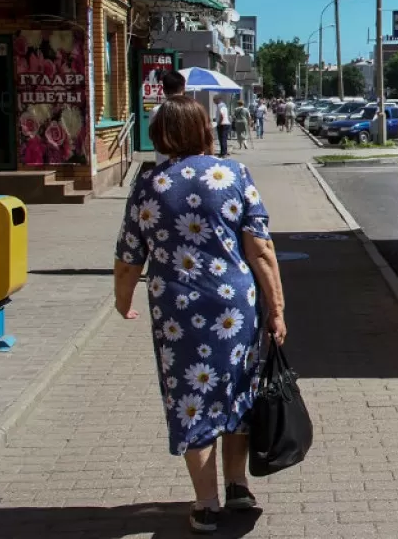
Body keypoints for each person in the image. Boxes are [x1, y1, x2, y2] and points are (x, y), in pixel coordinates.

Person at [113, 96, 288, 535]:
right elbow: (260, 248)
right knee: (236, 389)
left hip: (176, 307)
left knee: (191, 397)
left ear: (158, 137)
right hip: (234, 304)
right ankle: (238, 485)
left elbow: (129, 256)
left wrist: (122, 299)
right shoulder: (233, 174)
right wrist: (277, 307)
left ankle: (206, 503)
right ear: (205, 130)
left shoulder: (148, 184)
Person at [149, 70, 187, 165]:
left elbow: (153, 138)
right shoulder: (192, 109)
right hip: (187, 166)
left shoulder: (156, 111)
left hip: (163, 165)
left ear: (163, 90)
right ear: (183, 89)